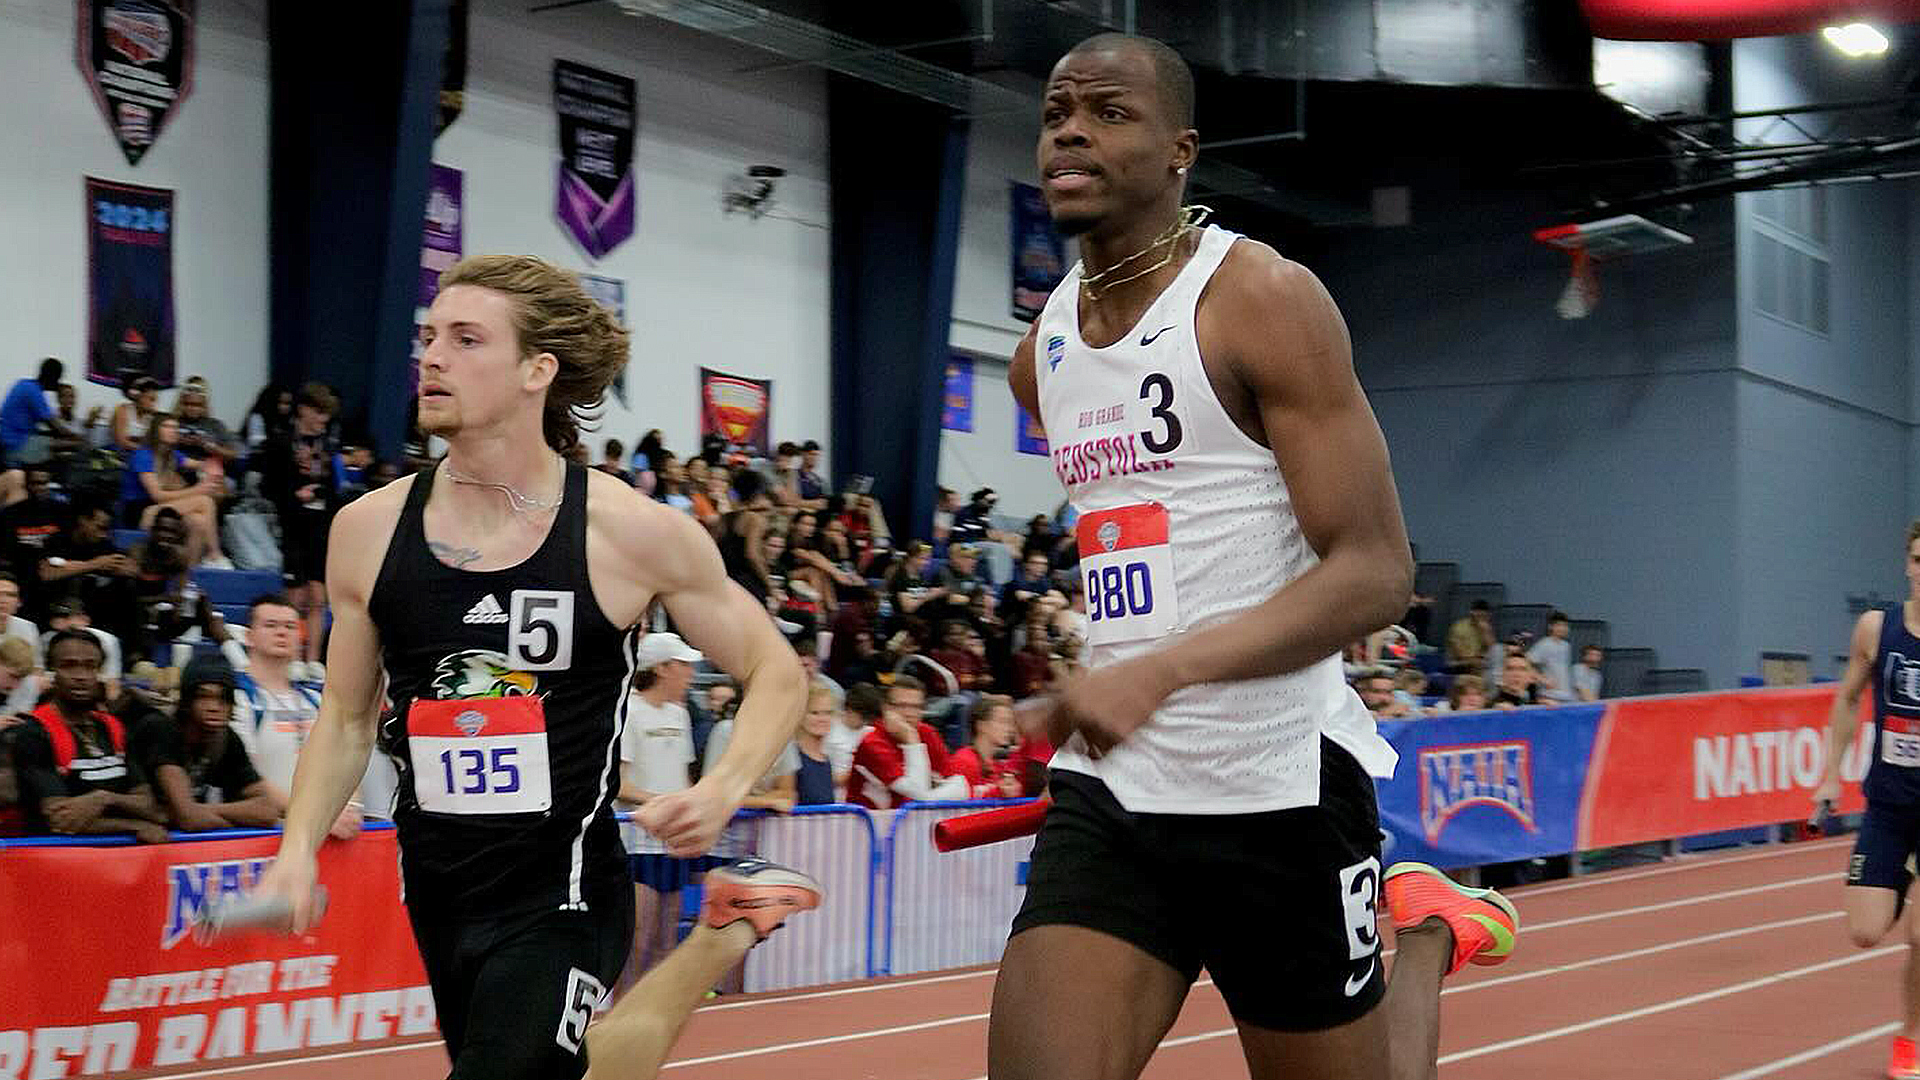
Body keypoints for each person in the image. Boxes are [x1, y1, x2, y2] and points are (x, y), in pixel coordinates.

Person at [992, 34, 1517, 1080]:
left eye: (1108, 111)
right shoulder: (1040, 353)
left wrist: (1161, 668)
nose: (1070, 129)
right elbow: (1152, 533)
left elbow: (1375, 571)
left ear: (1180, 149)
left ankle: (1424, 936)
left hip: (1278, 787)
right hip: (1120, 793)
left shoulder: (1261, 300)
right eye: (1057, 110)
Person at [251, 254, 818, 1080]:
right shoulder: (366, 531)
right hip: (441, 890)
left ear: (535, 371)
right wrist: (296, 848)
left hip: (568, 889)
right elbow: (344, 716)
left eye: (466, 339)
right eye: (429, 337)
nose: (433, 357)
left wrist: (723, 785)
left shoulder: (628, 532)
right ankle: (721, 933)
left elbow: (777, 672)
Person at [1816, 521, 1920, 1080]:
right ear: (1907, 564)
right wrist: (1830, 774)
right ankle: (1902, 876)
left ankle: (1911, 1038)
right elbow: (1847, 699)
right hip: (1888, 804)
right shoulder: (1876, 630)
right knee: (1865, 931)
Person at [228, 594, 377, 834]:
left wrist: (350, 807)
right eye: (270, 625)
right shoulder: (241, 699)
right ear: (249, 636)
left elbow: (344, 762)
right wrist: (315, 817)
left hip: (329, 831)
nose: (282, 632)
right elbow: (248, 778)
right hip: (271, 834)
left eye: (289, 626)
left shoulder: (317, 700)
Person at [11, 629, 167, 841]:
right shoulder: (33, 732)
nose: (81, 676)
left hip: (121, 864)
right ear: (52, 672)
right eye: (69, 665)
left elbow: (149, 806)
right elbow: (60, 820)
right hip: (56, 862)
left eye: (90, 666)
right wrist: (133, 825)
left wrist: (103, 799)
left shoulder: (113, 727)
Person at [614, 632, 703, 989]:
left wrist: (689, 806)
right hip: (637, 841)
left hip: (671, 841)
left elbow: (683, 778)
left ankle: (653, 1019)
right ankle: (622, 1017)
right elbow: (619, 785)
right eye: (683, 665)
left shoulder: (679, 715)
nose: (691, 673)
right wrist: (666, 803)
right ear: (663, 668)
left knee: (667, 938)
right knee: (638, 937)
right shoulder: (629, 711)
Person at [131, 654, 283, 832]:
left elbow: (268, 811)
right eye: (204, 697)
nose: (214, 707)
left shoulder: (227, 738)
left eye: (223, 699)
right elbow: (189, 819)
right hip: (123, 835)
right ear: (187, 701)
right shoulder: (161, 728)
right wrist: (240, 818)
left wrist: (199, 811)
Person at [846, 675, 966, 808]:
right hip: (867, 823)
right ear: (886, 708)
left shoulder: (927, 732)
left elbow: (960, 786)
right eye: (902, 706)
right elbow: (917, 791)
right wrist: (912, 739)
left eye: (916, 707)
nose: (909, 713)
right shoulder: (872, 742)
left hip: (907, 821)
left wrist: (927, 797)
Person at [947, 694, 1022, 798]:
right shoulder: (963, 761)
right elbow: (959, 800)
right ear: (981, 725)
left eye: (1010, 723)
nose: (1010, 729)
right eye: (1003, 722)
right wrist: (999, 792)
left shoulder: (997, 766)